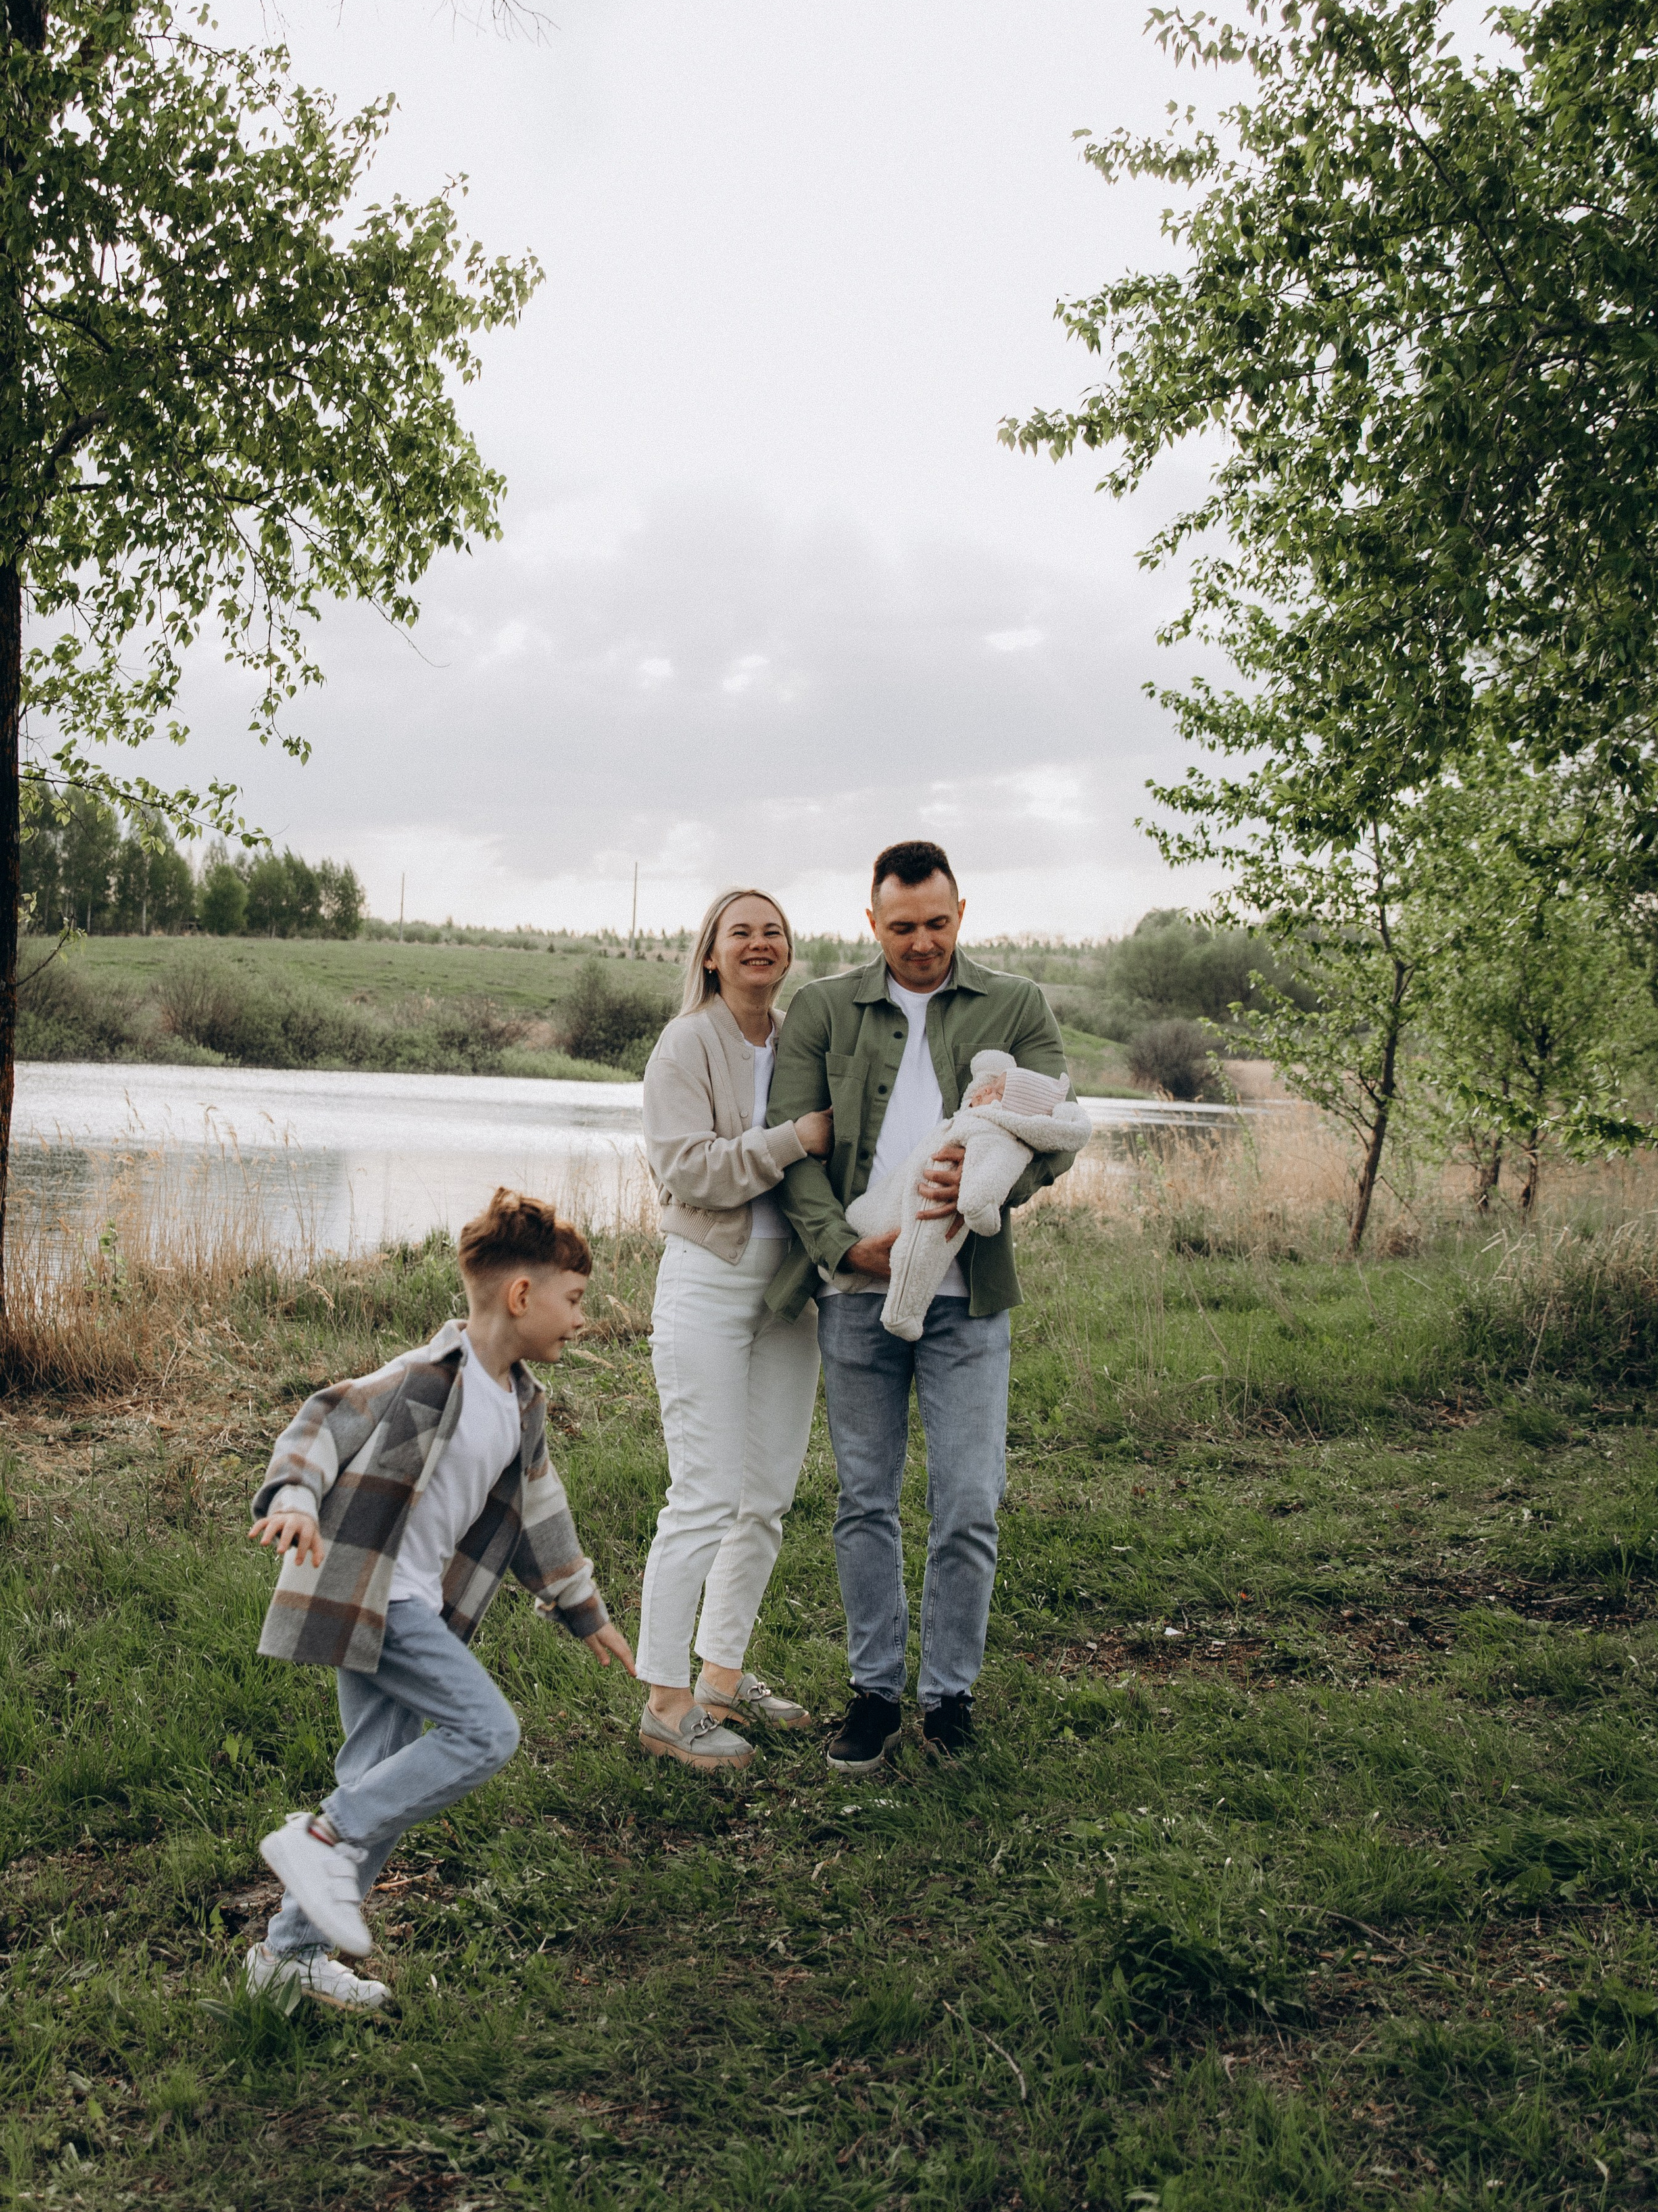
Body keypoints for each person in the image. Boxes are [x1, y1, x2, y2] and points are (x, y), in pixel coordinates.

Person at [245, 1189, 636, 2011]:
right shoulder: (423, 1379)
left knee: (383, 1776)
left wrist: (583, 1606)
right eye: (574, 1300)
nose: (582, 1319)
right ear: (520, 1295)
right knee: (486, 1731)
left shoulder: (521, 1401)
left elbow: (540, 1513)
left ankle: (287, 1957)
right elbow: (323, 1419)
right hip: (371, 1596)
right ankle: (319, 1833)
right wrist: (292, 1498)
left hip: (410, 1603)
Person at [766, 840, 1075, 1772]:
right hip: (856, 1295)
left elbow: (1055, 1130)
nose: (923, 942)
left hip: (969, 1297)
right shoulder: (822, 1009)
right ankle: (872, 1695)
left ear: (961, 913)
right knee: (864, 1499)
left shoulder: (1016, 1004)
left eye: (938, 923)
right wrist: (845, 1246)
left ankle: (948, 1701)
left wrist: (982, 1189)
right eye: (902, 927)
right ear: (872, 923)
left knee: (969, 1500)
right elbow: (793, 1152)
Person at [635, 887, 833, 1771]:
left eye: (773, 931)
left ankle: (721, 1680)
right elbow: (690, 1170)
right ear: (710, 954)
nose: (759, 943)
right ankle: (665, 1703)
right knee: (705, 1495)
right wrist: (792, 1140)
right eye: (740, 932)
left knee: (766, 1498)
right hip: (707, 1286)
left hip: (790, 1294)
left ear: (789, 950)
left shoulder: (802, 1039)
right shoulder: (687, 1042)